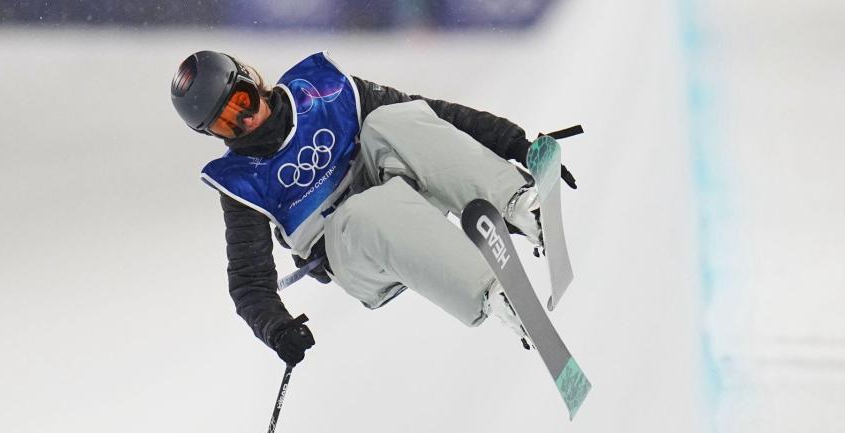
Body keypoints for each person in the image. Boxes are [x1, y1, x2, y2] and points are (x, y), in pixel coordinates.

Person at [170, 51, 578, 367]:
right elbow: (248, 282)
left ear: (250, 79)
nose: (244, 121)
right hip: (355, 252)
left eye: (240, 101)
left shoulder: (324, 89)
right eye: (225, 125)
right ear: (211, 134)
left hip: (403, 197)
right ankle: (491, 292)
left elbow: (432, 116)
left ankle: (518, 204)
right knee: (364, 211)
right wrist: (278, 330)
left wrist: (515, 143)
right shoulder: (240, 180)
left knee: (391, 120)